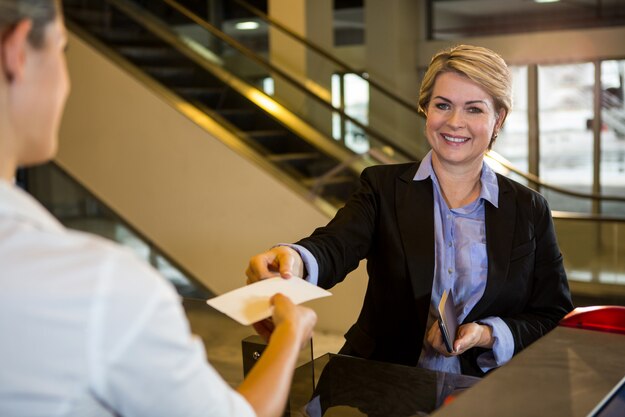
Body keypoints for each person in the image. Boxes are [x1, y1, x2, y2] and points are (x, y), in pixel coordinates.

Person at [0, 1, 316, 416]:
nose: (67, 81)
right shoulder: (98, 287)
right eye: (63, 50)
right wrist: (291, 333)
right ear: (18, 51)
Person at [246, 44, 574, 377]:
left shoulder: (529, 209)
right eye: (442, 105)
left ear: (498, 118)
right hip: (380, 386)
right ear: (425, 109)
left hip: (485, 393)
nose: (455, 122)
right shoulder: (383, 187)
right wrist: (294, 261)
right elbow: (335, 244)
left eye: (474, 109)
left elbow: (553, 314)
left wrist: (487, 334)